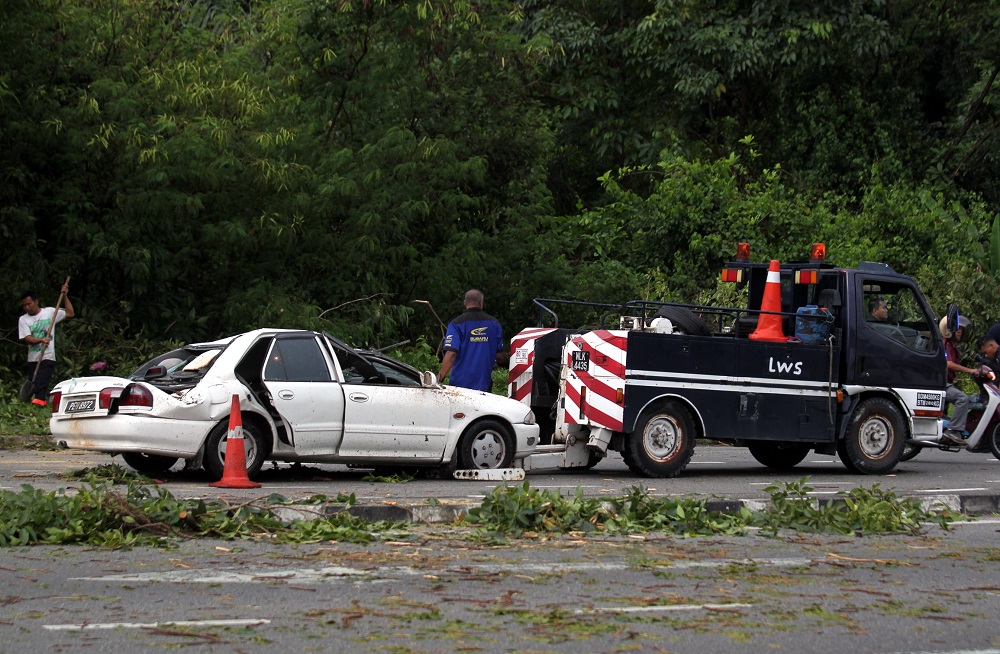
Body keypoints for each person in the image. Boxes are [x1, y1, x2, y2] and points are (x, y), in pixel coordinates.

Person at [18, 282, 74, 406]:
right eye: (24, 305)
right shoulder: (23, 319)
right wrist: (41, 340)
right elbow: (27, 338)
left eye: (29, 304)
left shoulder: (49, 312)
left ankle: (39, 402)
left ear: (36, 301)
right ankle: (35, 403)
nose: (27, 307)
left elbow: (70, 313)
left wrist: (65, 296)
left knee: (42, 381)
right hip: (33, 358)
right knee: (34, 381)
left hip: (48, 356)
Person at [438, 289, 505, 392]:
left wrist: (439, 380)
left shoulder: (456, 324)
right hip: (484, 386)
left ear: (465, 303)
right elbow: (500, 356)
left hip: (459, 387)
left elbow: (451, 353)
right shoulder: (494, 324)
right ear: (481, 303)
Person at [939, 315, 977, 444]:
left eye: (961, 329)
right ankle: (953, 431)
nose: (960, 331)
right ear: (949, 330)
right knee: (962, 399)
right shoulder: (945, 345)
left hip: (947, 382)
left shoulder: (952, 346)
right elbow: (948, 363)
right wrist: (970, 370)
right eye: (957, 329)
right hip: (942, 383)